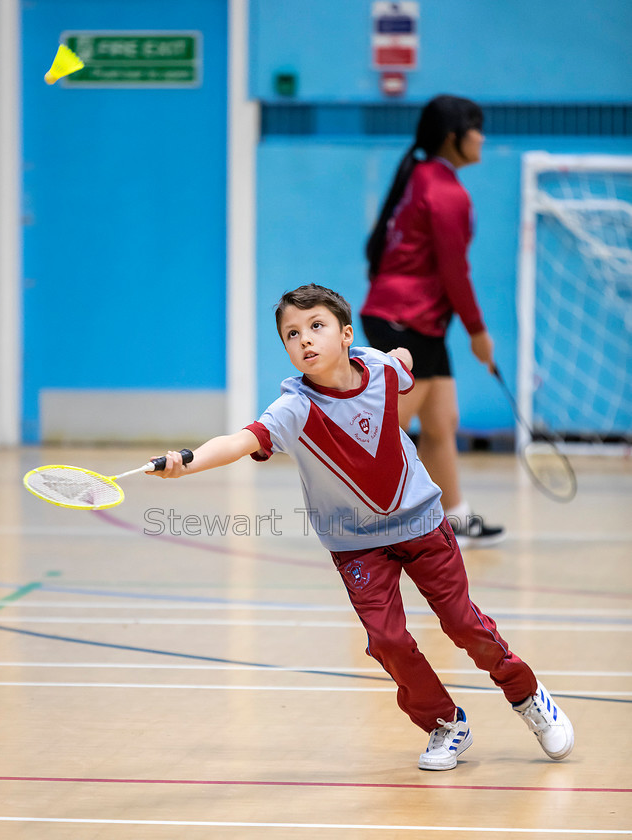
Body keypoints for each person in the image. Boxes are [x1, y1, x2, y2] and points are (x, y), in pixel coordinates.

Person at [151, 283, 574, 771]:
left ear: (346, 334)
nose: (304, 340)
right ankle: (444, 723)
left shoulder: (379, 369)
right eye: (292, 334)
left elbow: (402, 367)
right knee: (387, 640)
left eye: (316, 327)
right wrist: (188, 460)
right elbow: (241, 440)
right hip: (356, 546)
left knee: (461, 623)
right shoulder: (293, 409)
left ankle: (527, 696)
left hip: (421, 523)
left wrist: (402, 356)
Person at [360, 94, 504, 548]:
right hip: (405, 320)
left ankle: (455, 519)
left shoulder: (422, 177)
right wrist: (479, 332)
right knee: (390, 428)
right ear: (453, 137)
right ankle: (366, 521)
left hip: (416, 319)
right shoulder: (445, 191)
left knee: (442, 423)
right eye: (475, 127)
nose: (482, 136)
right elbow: (454, 272)